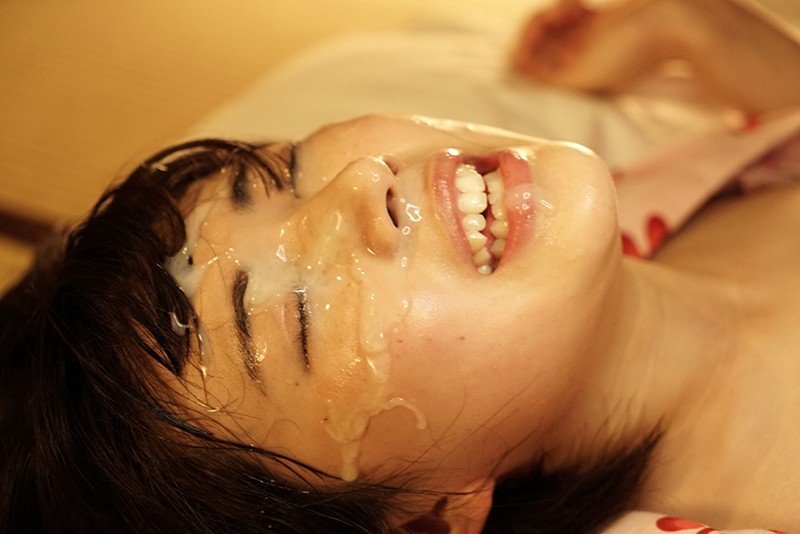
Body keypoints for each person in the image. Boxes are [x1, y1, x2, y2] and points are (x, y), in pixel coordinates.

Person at [1, 0, 799, 532]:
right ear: (428, 518)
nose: (360, 184)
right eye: (303, 312)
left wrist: (706, 35)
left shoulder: (674, 187)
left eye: (286, 173)